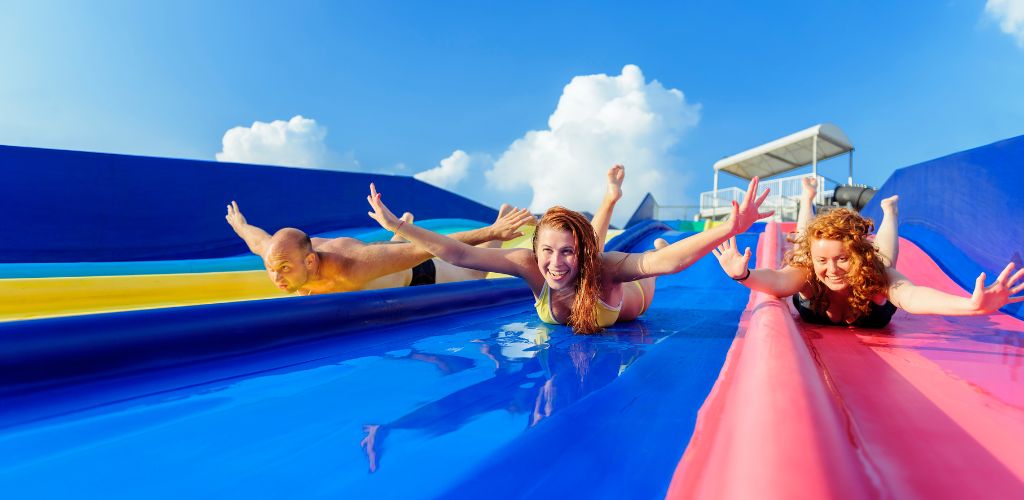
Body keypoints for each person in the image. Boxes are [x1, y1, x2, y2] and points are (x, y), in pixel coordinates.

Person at [366, 165, 775, 333]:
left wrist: (728, 227)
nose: (554, 264)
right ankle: (610, 198)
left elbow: (666, 263)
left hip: (634, 297)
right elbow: (460, 254)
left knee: (633, 267)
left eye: (566, 253)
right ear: (534, 247)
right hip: (593, 261)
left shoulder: (607, 268)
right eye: (547, 251)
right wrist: (399, 227)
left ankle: (611, 206)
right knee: (589, 248)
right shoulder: (530, 264)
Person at [713, 176, 1024, 327]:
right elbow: (779, 282)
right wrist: (743, 274)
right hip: (805, 248)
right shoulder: (809, 272)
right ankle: (806, 199)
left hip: (875, 268)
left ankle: (890, 213)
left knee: (886, 259)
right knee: (802, 246)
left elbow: (912, 297)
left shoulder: (875, 275)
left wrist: (970, 305)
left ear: (857, 256)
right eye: (824, 261)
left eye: (842, 259)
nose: (831, 269)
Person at [225, 201, 534, 295]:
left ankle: (501, 217)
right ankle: (398, 237)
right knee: (387, 256)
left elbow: (435, 248)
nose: (276, 277)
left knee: (474, 277)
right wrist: (240, 225)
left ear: (309, 262)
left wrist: (493, 231)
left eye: (284, 269)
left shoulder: (352, 265)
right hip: (381, 259)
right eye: (272, 269)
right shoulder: (277, 253)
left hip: (418, 272)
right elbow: (258, 240)